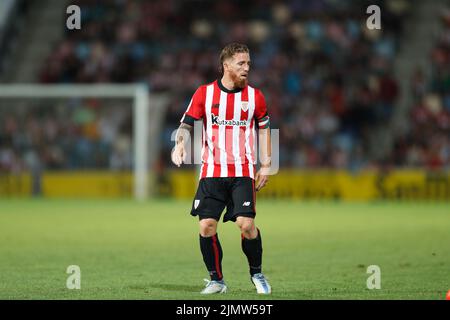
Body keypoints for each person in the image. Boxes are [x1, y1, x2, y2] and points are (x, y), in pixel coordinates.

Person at [171, 43, 272, 294]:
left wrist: (268, 164)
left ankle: (257, 273)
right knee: (206, 225)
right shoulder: (204, 94)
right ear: (226, 66)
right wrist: (179, 145)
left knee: (246, 225)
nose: (247, 68)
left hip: (242, 171)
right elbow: (186, 124)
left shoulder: (255, 97)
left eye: (248, 63)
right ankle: (217, 280)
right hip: (212, 172)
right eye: (241, 63)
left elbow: (265, 128)